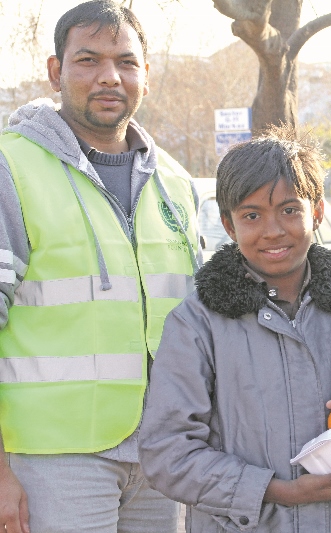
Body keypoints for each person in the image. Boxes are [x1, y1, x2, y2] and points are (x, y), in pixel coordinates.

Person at [138, 128, 331, 532]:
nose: (273, 230)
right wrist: (278, 491)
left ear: (316, 212)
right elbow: (167, 454)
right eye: (251, 216)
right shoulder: (196, 324)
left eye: (289, 210)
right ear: (228, 226)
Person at [0, 2, 201, 532]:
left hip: (161, 456)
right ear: (54, 71)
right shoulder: (10, 168)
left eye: (126, 62)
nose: (109, 77)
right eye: (87, 60)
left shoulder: (175, 185)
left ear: (146, 76)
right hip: (53, 460)